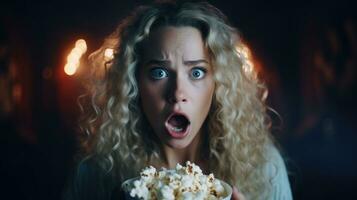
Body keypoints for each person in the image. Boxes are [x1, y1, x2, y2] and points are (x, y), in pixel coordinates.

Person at [63, 1, 292, 199]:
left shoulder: (264, 168)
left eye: (197, 72)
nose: (177, 93)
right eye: (159, 73)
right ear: (134, 82)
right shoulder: (94, 174)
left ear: (218, 83)